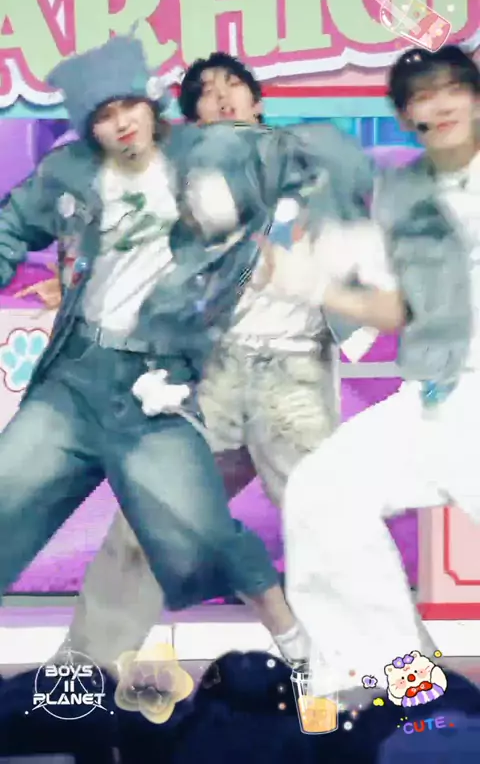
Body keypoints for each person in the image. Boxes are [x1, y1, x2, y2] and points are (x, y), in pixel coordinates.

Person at [58, 51, 376, 670]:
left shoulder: (307, 165)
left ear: (257, 101)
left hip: (291, 376)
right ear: (195, 116)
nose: (224, 95)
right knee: (149, 520)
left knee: (332, 534)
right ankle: (86, 672)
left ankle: (382, 671)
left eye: (234, 85)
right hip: (211, 377)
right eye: (207, 91)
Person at [0, 34, 296, 648]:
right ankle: (86, 667)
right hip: (84, 373)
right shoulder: (69, 172)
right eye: (103, 115)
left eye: (129, 105)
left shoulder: (212, 160)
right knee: (12, 495)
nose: (120, 123)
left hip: (187, 378)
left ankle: (305, 646)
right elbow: (12, 224)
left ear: (152, 103)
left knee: (212, 530)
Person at [282, 44, 480, 704]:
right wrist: (311, 283)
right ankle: (403, 682)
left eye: (451, 89)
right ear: (403, 116)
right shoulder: (401, 190)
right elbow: (398, 310)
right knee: (321, 494)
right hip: (439, 393)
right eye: (422, 97)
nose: (439, 105)